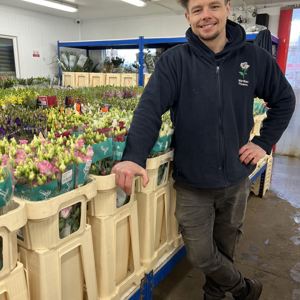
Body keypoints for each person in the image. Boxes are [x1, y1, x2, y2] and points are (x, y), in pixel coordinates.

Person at [112, 0, 296, 299]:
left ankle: (215, 295)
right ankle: (242, 288)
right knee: (199, 253)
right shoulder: (175, 62)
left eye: (213, 6)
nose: (206, 16)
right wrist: (134, 157)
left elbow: (284, 100)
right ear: (188, 16)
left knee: (226, 245)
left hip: (236, 178)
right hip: (192, 182)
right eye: (197, 10)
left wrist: (263, 142)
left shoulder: (253, 58)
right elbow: (149, 109)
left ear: (227, 8)